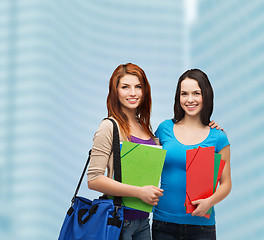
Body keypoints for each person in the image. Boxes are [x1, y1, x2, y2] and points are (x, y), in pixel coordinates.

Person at [152, 69, 232, 240]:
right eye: (184, 94)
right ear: (178, 97)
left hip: (201, 227)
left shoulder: (218, 137)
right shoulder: (164, 129)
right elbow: (147, 165)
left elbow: (226, 184)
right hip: (163, 223)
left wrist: (209, 202)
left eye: (196, 93)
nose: (190, 100)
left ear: (206, 96)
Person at [87, 63, 164, 240]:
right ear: (115, 91)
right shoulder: (109, 126)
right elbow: (94, 179)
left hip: (143, 221)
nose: (133, 93)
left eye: (138, 87)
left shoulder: (145, 128)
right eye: (125, 87)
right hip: (119, 221)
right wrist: (139, 192)